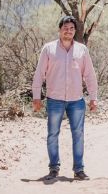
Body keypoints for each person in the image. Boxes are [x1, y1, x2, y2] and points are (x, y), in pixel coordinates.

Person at [32, 15, 98, 181]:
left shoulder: (82, 50)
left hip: (77, 100)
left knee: (78, 134)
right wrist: (36, 96)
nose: (68, 31)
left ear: (75, 31)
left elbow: (89, 75)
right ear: (59, 30)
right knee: (53, 134)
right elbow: (39, 73)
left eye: (71, 29)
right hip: (55, 99)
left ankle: (79, 169)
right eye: (65, 28)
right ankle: (54, 168)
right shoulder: (48, 49)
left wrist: (93, 97)